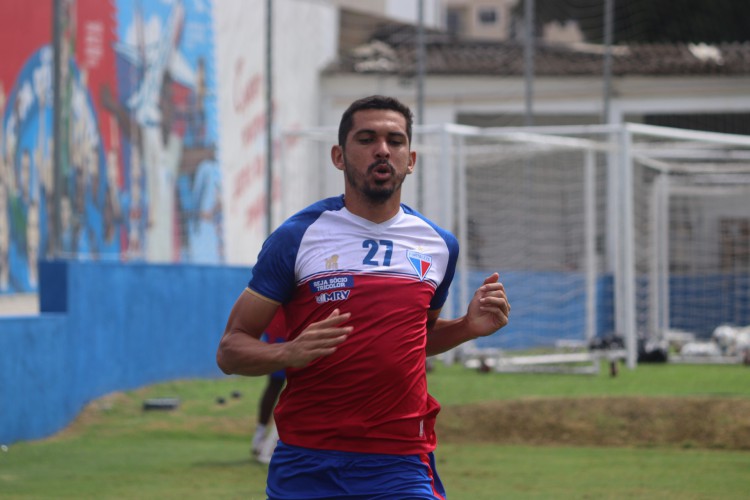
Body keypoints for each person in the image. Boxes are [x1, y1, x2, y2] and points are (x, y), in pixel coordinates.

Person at [216, 95, 510, 498]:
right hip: (308, 459)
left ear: (411, 159)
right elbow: (231, 350)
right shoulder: (297, 237)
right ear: (339, 156)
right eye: (367, 139)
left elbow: (415, 341)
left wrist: (465, 327)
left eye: (395, 140)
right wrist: (287, 354)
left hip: (400, 461)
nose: (383, 150)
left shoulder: (439, 246)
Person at [251, 308, 286, 462]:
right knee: (281, 384)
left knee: (276, 384)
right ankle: (267, 447)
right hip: (286, 330)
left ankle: (262, 441)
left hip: (282, 329)